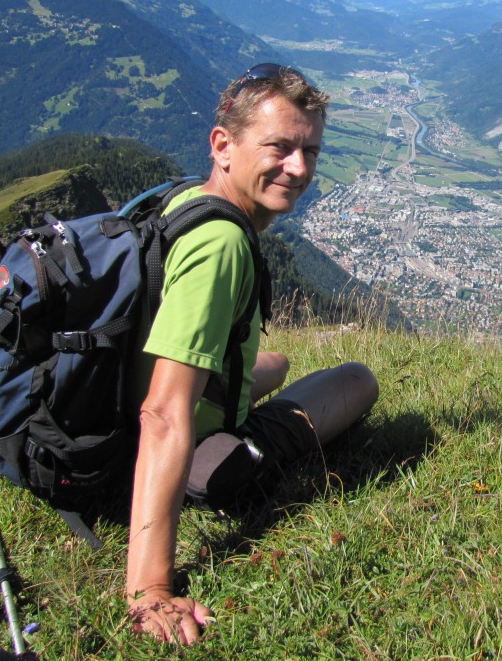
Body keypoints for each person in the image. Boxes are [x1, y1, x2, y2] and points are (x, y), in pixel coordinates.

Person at [124, 64, 379, 644]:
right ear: (223, 145)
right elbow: (164, 414)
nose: (299, 168)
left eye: (309, 150)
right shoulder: (223, 245)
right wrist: (150, 588)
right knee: (358, 379)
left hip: (120, 406)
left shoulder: (184, 200)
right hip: (182, 448)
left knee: (278, 362)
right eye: (280, 147)